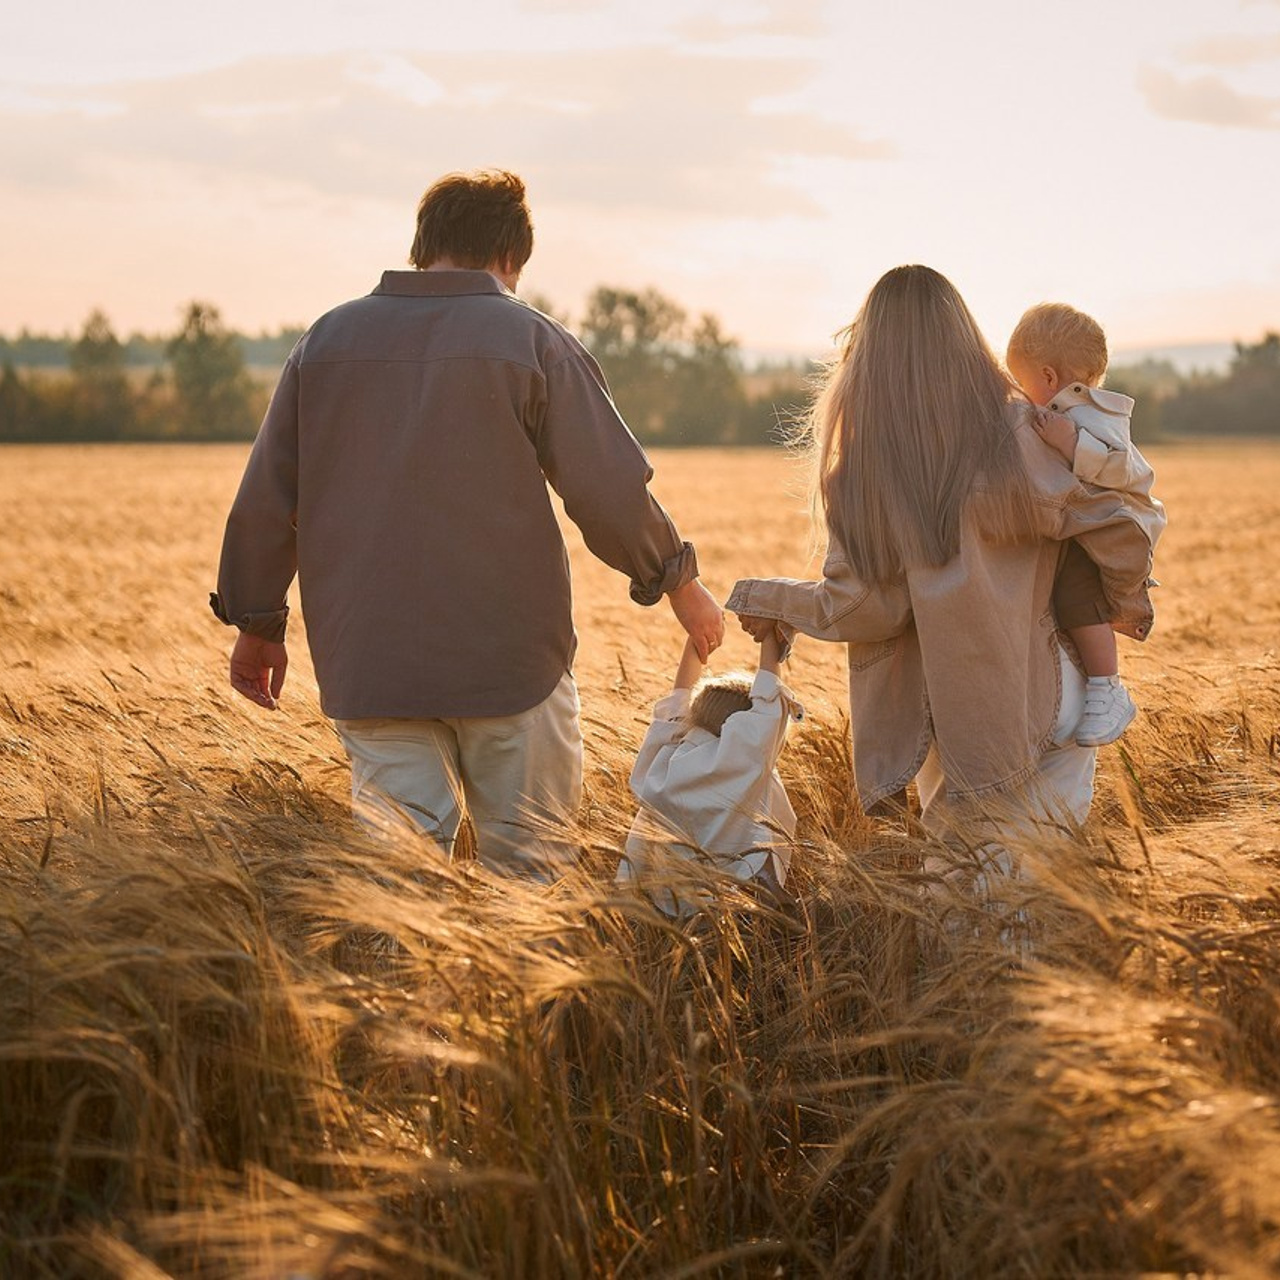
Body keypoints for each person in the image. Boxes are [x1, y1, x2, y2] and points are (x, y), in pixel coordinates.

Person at [211, 169, 724, 880]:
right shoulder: (533, 340)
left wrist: (257, 623)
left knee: (402, 886)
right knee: (531, 877)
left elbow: (269, 496)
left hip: (372, 664)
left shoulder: (324, 343)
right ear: (510, 256)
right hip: (509, 662)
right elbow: (608, 491)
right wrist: (678, 582)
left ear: (424, 246)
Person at [726, 265, 1165, 855]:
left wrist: (766, 599)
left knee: (963, 894)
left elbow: (864, 609)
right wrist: (1118, 602)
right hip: (1053, 697)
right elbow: (1119, 528)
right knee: (1049, 893)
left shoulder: (859, 472)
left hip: (957, 721)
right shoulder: (1022, 431)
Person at [1006, 302, 1163, 746]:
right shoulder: (1066, 410)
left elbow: (1127, 470)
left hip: (1113, 529)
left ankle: (1107, 687)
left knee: (1077, 594)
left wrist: (1073, 443)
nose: (1021, 395)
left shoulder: (1094, 417)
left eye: (1022, 383)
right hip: (1088, 523)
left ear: (1049, 377)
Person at [617, 630, 803, 917]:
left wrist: (697, 638)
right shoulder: (742, 760)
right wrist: (768, 631)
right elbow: (768, 704)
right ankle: (769, 885)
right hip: (738, 894)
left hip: (672, 898)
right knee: (765, 781)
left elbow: (679, 700)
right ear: (740, 725)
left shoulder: (664, 759)